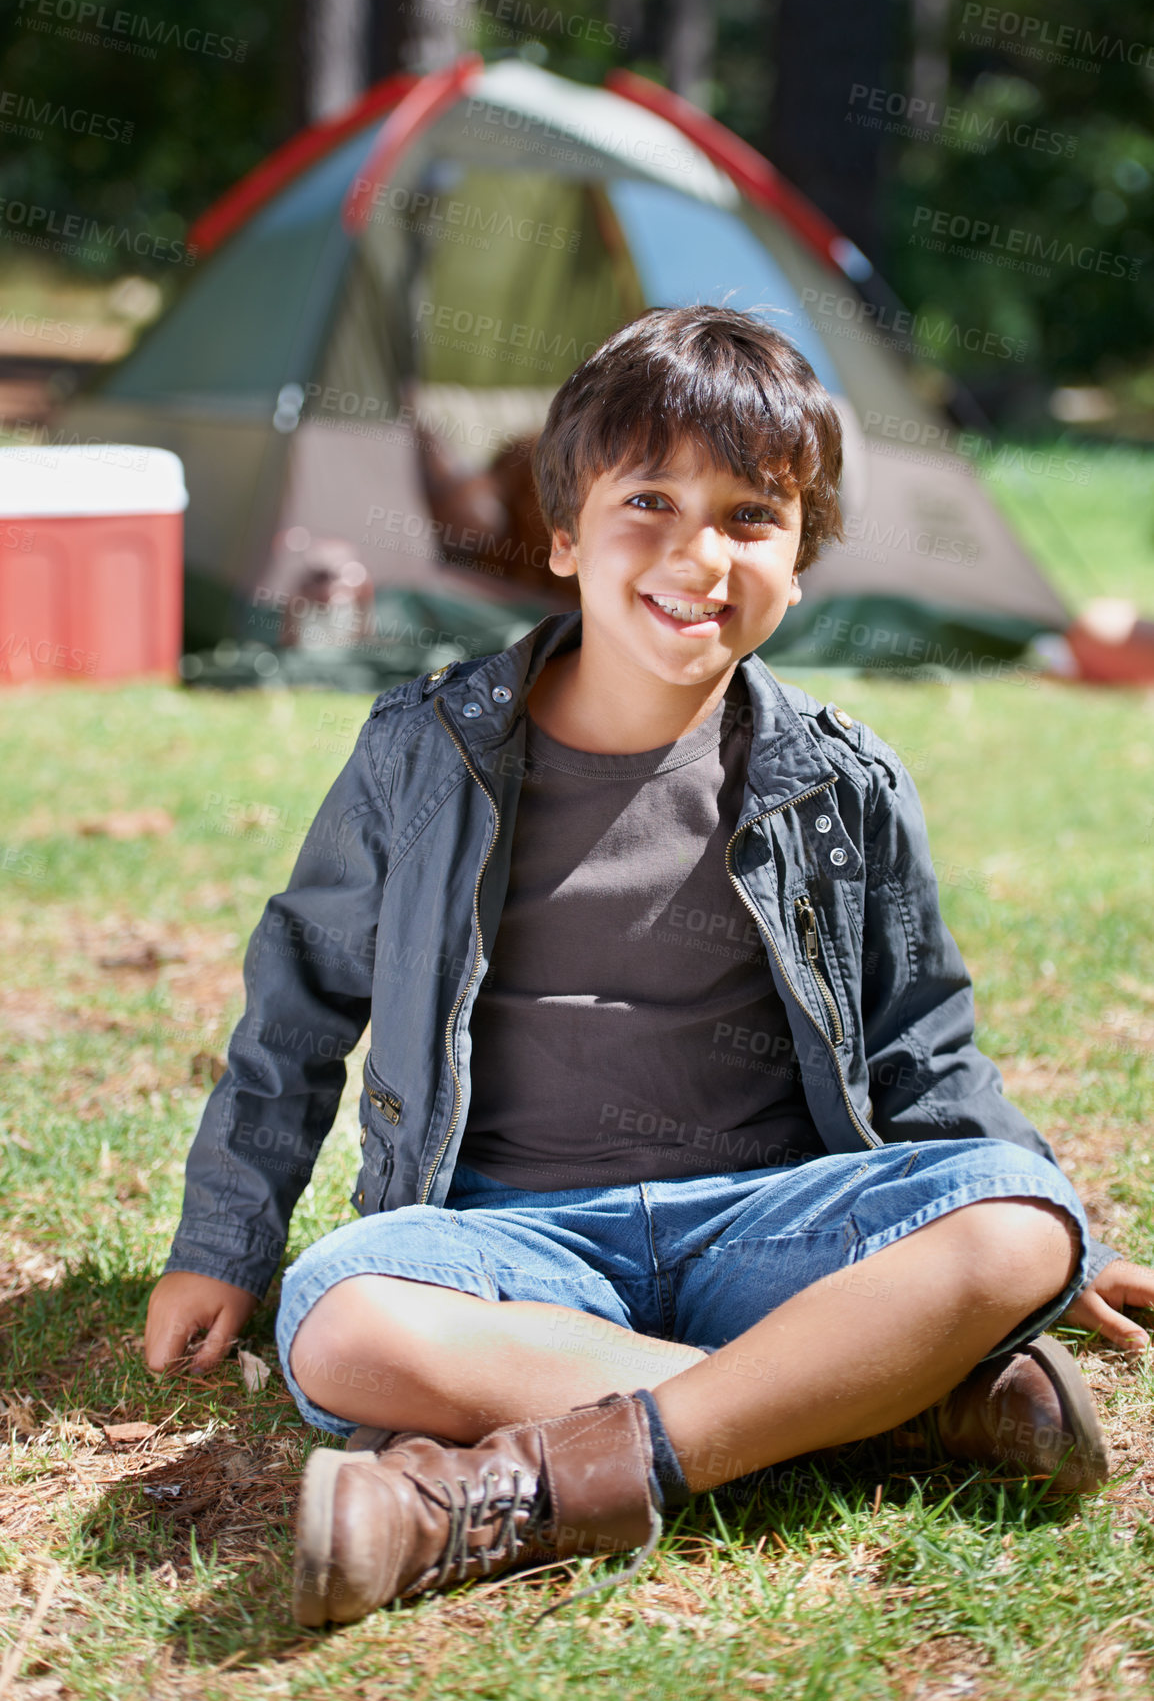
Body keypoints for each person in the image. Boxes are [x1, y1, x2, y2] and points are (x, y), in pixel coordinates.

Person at [145, 306, 1154, 1628]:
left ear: (799, 563)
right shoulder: (420, 754)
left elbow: (921, 1044)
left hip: (767, 1227)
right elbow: (298, 1003)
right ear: (562, 535)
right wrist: (224, 1241)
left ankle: (535, 1474)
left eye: (750, 518)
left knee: (1017, 1216)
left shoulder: (840, 781)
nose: (698, 556)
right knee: (338, 1314)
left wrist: (1054, 1254)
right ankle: (877, 1401)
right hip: (512, 1241)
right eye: (649, 504)